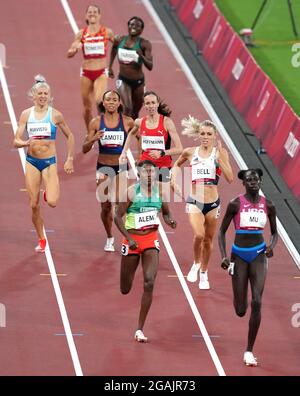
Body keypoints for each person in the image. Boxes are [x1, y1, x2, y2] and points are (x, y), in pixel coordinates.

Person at [218, 168, 278, 367]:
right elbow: (221, 232)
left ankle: (249, 351)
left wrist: (271, 246)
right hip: (238, 256)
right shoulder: (235, 204)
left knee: (258, 301)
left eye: (257, 179)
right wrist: (225, 256)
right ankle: (238, 298)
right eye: (250, 180)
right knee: (241, 310)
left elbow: (275, 233)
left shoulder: (268, 205)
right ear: (244, 183)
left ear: (261, 182)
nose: (254, 182)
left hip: (259, 254)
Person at [114, 160, 177, 342]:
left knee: (149, 282)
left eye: (151, 172)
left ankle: (140, 329)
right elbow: (117, 216)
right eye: (145, 172)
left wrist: (169, 220)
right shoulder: (132, 192)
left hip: (151, 240)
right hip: (132, 240)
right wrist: (129, 238)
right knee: (125, 289)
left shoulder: (160, 193)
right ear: (139, 175)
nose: (149, 176)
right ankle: (127, 279)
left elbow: (165, 213)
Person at [13, 75, 75, 252]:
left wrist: (70, 158)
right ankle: (41, 239)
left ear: (50, 96)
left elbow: (70, 135)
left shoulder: (55, 115)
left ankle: (49, 191)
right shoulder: (26, 114)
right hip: (32, 162)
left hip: (49, 162)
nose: (42, 96)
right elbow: (15, 140)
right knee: (33, 204)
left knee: (53, 202)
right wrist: (24, 143)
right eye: (39, 93)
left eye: (45, 93)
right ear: (33, 96)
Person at [171, 117, 233, 289]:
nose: (205, 136)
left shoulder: (221, 153)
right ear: (198, 135)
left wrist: (220, 159)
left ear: (214, 136)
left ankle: (204, 274)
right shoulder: (190, 152)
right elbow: (177, 164)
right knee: (199, 235)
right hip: (195, 201)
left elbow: (230, 178)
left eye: (209, 134)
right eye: (202, 133)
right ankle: (196, 263)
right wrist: (173, 180)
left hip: (213, 204)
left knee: (208, 240)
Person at [82, 90, 134, 252]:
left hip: (121, 167)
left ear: (119, 103)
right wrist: (93, 139)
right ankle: (110, 237)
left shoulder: (128, 122)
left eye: (114, 100)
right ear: (103, 103)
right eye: (108, 100)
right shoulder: (96, 122)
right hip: (103, 167)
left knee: (120, 203)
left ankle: (129, 237)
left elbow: (140, 137)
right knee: (105, 207)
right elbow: (84, 149)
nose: (111, 102)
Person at [67, 4, 114, 131]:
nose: (92, 14)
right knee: (87, 107)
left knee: (100, 100)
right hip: (86, 73)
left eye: (95, 12)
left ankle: (102, 129)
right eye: (90, 12)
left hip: (101, 72)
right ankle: (90, 133)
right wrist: (74, 50)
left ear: (99, 15)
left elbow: (118, 44)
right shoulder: (81, 34)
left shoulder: (107, 32)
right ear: (86, 15)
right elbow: (69, 53)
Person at [120, 91, 183, 182]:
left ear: (157, 104)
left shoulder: (167, 122)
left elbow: (179, 149)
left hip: (163, 166)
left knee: (163, 195)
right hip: (145, 166)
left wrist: (161, 153)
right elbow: (131, 134)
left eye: (153, 103)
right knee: (146, 195)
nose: (151, 106)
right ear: (144, 105)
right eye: (148, 103)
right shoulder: (140, 122)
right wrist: (123, 152)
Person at [108, 16, 153, 120]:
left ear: (141, 30)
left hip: (138, 82)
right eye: (132, 24)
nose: (134, 27)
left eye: (138, 26)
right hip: (123, 80)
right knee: (127, 108)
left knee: (135, 112)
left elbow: (150, 66)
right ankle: (123, 133)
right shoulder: (119, 40)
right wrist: (110, 66)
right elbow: (114, 49)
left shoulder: (144, 44)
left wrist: (141, 55)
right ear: (128, 26)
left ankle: (132, 131)